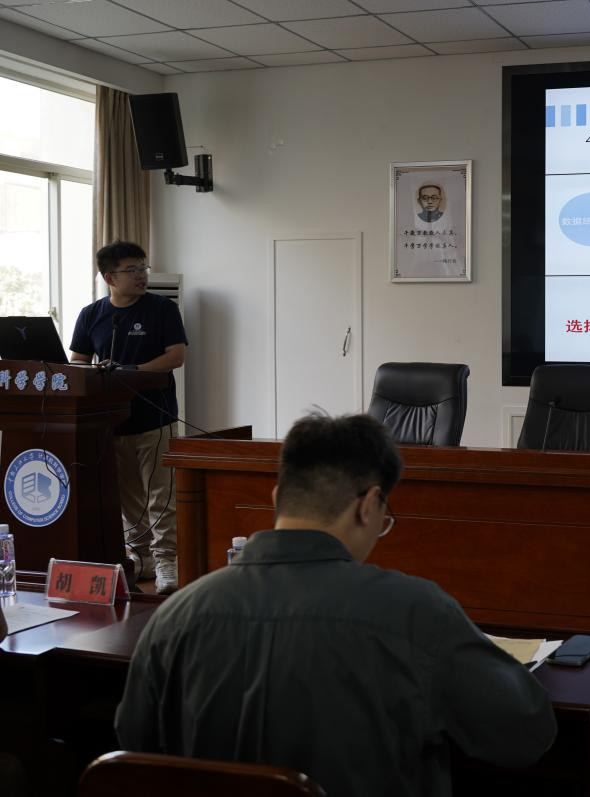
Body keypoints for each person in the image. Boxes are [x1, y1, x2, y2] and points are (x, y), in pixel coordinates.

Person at [114, 412, 557, 797]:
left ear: (277, 499)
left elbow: (134, 746)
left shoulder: (175, 616)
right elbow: (525, 732)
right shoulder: (416, 613)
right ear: (369, 505)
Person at [69, 242, 186, 594]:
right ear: (109, 278)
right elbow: (77, 361)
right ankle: (141, 557)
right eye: (131, 270)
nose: (140, 275)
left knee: (161, 495)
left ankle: (167, 561)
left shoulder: (162, 309)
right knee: (129, 499)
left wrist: (131, 372)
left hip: (156, 418)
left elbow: (176, 356)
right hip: (112, 422)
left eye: (142, 268)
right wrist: (97, 372)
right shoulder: (91, 314)